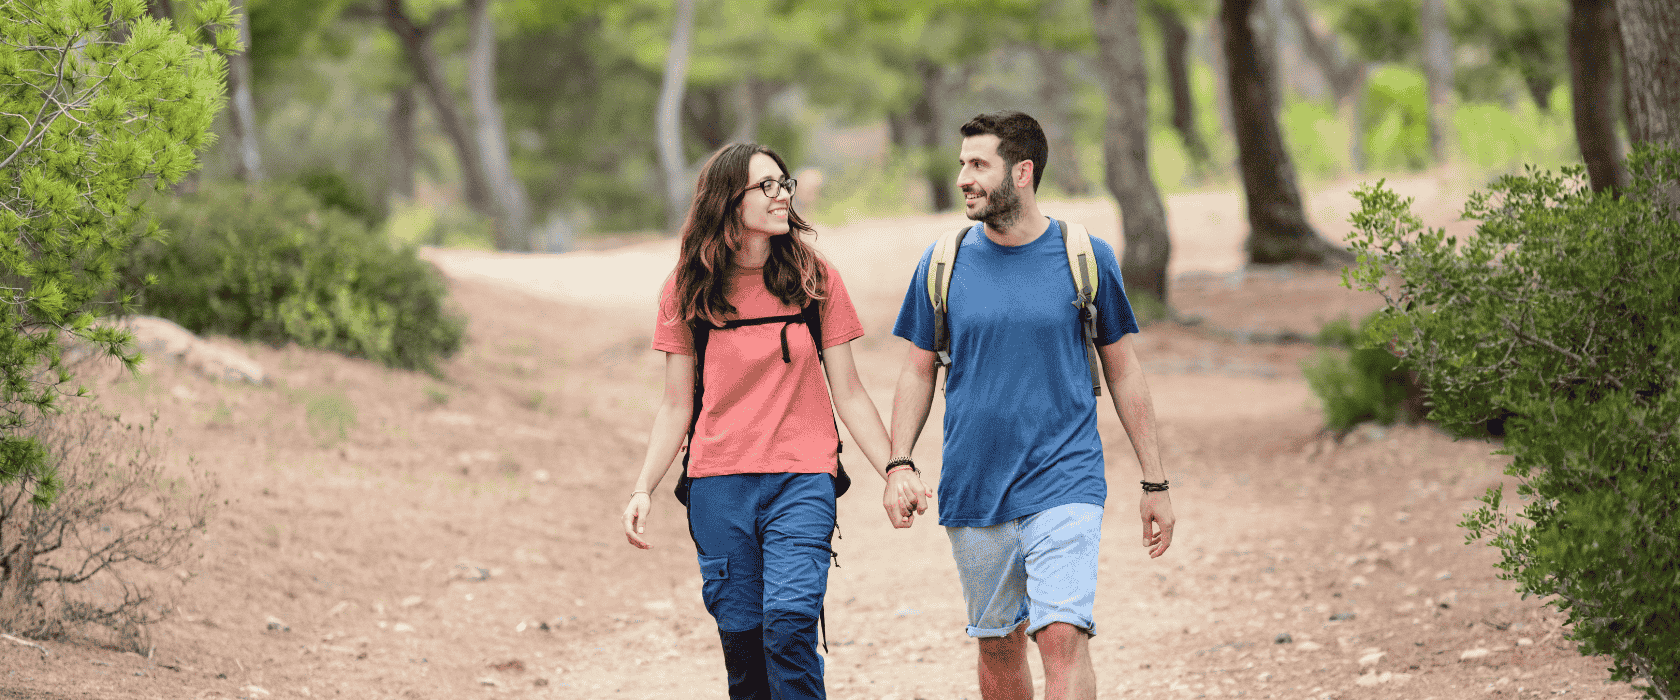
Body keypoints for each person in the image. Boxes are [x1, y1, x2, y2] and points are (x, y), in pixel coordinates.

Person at [621, 142, 931, 700]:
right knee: (743, 649)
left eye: (783, 182)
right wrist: (643, 486)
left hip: (802, 479)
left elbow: (850, 391)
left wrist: (896, 467)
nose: (782, 194)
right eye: (765, 186)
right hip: (718, 484)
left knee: (788, 626)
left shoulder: (813, 277)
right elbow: (676, 404)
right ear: (726, 200)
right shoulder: (688, 288)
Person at [887, 111, 1176, 700]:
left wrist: (1155, 481)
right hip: (974, 484)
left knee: (1062, 635)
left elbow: (1122, 368)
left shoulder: (1084, 256)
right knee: (998, 645)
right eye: (962, 163)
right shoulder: (942, 263)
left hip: (1064, 478)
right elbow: (918, 371)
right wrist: (899, 463)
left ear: (1022, 172)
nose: (963, 177)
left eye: (978, 164)